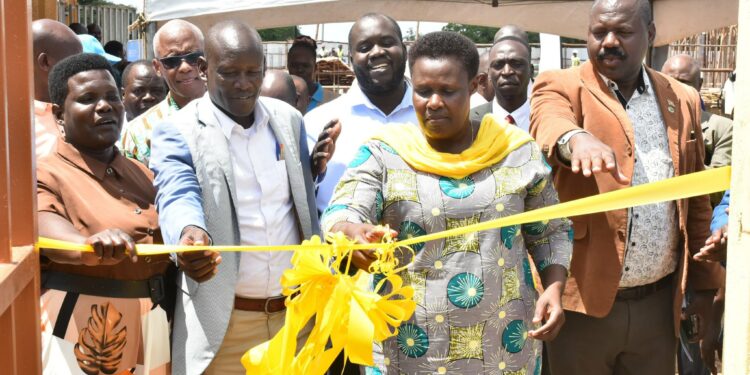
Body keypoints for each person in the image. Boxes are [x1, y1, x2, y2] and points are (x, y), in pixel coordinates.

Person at [323, 31, 572, 374]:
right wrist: (350, 231)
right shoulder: (386, 152)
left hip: (503, 346)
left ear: (475, 85)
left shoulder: (514, 150)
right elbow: (344, 207)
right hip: (408, 346)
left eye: (448, 91)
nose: (434, 102)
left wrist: (555, 287)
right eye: (423, 91)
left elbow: (551, 230)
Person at [529, 0, 725, 373]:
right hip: (582, 303)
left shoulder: (680, 98)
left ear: (649, 35)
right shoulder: (562, 85)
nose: (608, 42)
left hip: (658, 305)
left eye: (623, 32)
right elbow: (548, 122)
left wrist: (702, 286)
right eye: (599, 32)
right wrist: (575, 139)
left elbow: (696, 201)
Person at [149, 20, 337, 375]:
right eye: (230, 72)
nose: (243, 84)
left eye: (253, 72)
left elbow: (299, 202)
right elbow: (176, 191)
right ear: (205, 69)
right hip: (225, 327)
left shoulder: (289, 120)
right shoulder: (177, 131)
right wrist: (188, 234)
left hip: (296, 320)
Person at [38, 53, 173, 374]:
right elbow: (44, 225)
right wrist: (86, 243)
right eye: (87, 99)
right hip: (82, 321)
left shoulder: (143, 173)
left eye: (112, 97)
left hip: (151, 317)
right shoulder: (46, 174)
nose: (105, 106)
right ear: (59, 115)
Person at [305, 13, 418, 214]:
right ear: (350, 59)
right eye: (365, 48)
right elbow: (300, 199)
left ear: (405, 50)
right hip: (341, 243)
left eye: (387, 42)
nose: (377, 52)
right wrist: (313, 173)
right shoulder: (318, 123)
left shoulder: (433, 116)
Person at [661, 53, 731, 375]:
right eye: (668, 80)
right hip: (654, 259)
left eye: (684, 82)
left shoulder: (723, 128)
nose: (675, 88)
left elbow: (717, 190)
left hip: (698, 249)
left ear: (700, 87)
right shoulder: (647, 125)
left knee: (695, 347)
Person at [120, 19, 206, 165]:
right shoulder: (138, 134)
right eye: (172, 60)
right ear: (158, 67)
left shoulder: (237, 115)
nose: (185, 67)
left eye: (193, 57)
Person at [32, 19, 82, 158]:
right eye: (73, 62)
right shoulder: (14, 124)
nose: (82, 70)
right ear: (45, 62)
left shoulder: (84, 110)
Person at [471, 35, 533, 133]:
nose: (507, 71)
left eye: (516, 63)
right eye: (498, 65)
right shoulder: (468, 121)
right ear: (489, 73)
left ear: (531, 71)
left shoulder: (548, 119)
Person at [288, 35, 331, 112]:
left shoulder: (332, 102)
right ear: (288, 66)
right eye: (294, 65)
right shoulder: (280, 101)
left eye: (305, 66)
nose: (300, 70)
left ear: (315, 68)